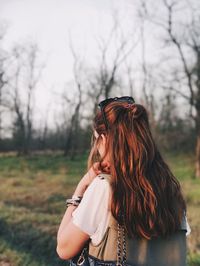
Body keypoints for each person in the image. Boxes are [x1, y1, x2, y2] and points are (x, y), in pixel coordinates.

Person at [56, 96, 190, 266]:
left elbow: (64, 248)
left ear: (103, 140)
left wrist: (80, 189)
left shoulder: (104, 187)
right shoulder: (170, 187)